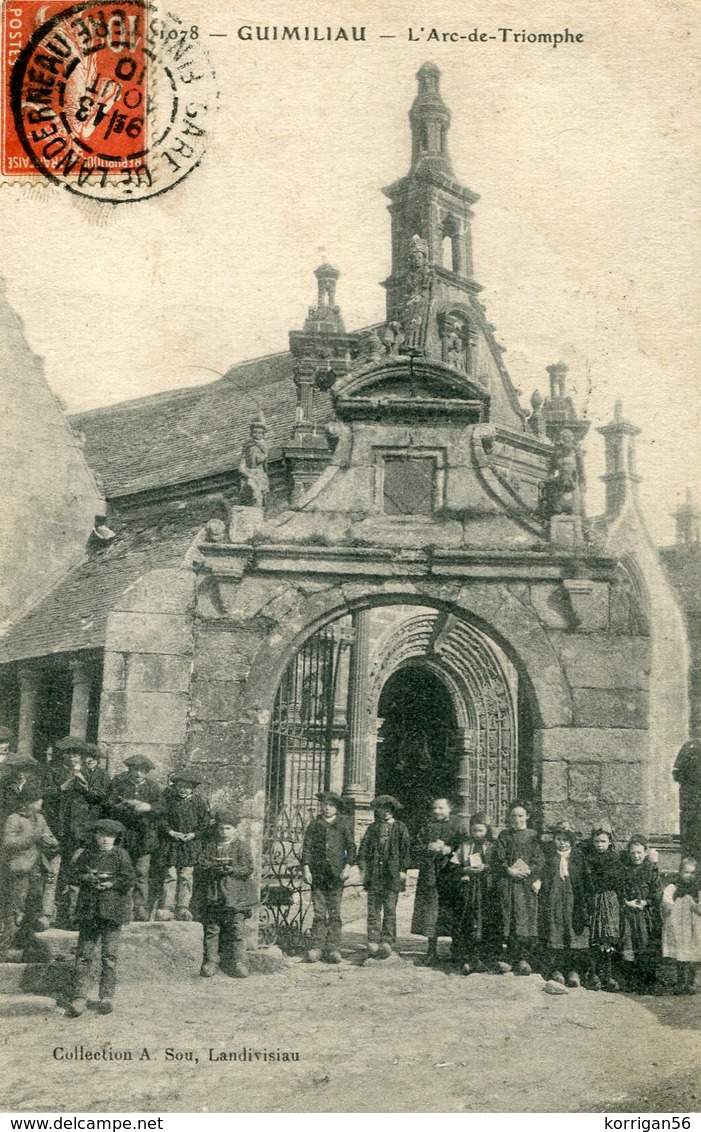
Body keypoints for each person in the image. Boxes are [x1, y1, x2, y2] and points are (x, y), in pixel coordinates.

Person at [67, 818, 135, 1016]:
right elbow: (74, 875)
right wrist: (86, 878)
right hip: (89, 912)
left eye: (111, 836)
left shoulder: (121, 855)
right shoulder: (87, 854)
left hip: (112, 912)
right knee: (84, 955)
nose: (106, 840)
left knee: (109, 956)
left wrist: (112, 884)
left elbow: (129, 879)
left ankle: (106, 996)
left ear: (116, 838)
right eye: (102, 835)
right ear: (95, 836)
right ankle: (79, 996)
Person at [57, 743, 110, 926]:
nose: (88, 761)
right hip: (74, 830)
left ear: (97, 760)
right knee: (72, 871)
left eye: (92, 759)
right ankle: (71, 915)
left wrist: (86, 787)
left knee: (89, 871)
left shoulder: (102, 775)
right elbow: (64, 799)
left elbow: (100, 797)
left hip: (90, 830)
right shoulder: (76, 773)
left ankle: (86, 914)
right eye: (86, 758)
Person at [198, 811, 257, 978]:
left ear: (235, 829)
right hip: (215, 893)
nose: (224, 832)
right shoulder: (211, 846)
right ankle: (212, 961)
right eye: (221, 829)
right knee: (212, 927)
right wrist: (212, 867)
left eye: (228, 828)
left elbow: (248, 867)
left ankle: (238, 962)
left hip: (236, 894)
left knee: (237, 928)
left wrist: (233, 869)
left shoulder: (241, 846)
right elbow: (202, 862)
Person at [301, 791, 356, 964]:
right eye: (324, 804)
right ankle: (317, 947)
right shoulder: (314, 824)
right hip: (318, 875)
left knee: (334, 912)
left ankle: (333, 948)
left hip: (336, 875)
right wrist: (306, 869)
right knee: (318, 912)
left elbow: (351, 849)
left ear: (337, 808)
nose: (326, 808)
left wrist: (347, 867)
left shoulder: (343, 824)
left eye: (331, 805)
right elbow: (307, 848)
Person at [1, 781, 60, 937]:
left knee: (33, 906)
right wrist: (32, 838)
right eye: (39, 799)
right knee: (16, 908)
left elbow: (49, 837)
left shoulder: (40, 818)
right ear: (29, 802)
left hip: (37, 868)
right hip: (19, 869)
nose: (41, 802)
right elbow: (8, 842)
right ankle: (8, 944)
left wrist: (52, 842)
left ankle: (27, 942)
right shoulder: (14, 818)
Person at [410, 796, 464, 966]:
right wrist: (428, 847)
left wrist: (450, 849)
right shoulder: (427, 827)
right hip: (430, 874)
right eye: (434, 808)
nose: (436, 811)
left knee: (452, 909)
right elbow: (415, 846)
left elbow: (467, 845)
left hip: (451, 874)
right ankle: (431, 950)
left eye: (441, 808)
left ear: (449, 808)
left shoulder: (459, 825)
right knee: (430, 911)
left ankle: (456, 949)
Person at [493, 800, 544, 975]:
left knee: (525, 919)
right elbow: (498, 858)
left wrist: (530, 870)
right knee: (508, 918)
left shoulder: (533, 836)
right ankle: (508, 958)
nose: (517, 819)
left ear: (527, 816)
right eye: (513, 816)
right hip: (509, 883)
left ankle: (523, 959)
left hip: (526, 884)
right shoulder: (504, 836)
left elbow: (539, 859)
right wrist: (509, 871)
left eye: (520, 815)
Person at [108, 755, 162, 920]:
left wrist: (148, 807)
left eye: (142, 770)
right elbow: (109, 805)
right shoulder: (120, 786)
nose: (138, 773)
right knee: (122, 871)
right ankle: (122, 907)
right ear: (129, 770)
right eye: (135, 770)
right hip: (124, 837)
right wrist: (126, 806)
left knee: (141, 872)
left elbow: (162, 809)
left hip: (144, 837)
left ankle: (139, 907)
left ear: (147, 772)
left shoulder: (153, 787)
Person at [357, 795, 411, 958]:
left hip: (391, 876)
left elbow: (405, 851)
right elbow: (363, 850)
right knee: (373, 910)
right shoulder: (372, 828)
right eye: (382, 809)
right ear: (377, 811)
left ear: (393, 810)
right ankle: (373, 940)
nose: (386, 812)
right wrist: (363, 869)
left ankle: (387, 942)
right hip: (374, 876)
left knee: (390, 910)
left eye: (389, 809)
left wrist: (403, 870)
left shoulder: (400, 828)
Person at [539, 822, 590, 987]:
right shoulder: (550, 857)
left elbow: (583, 880)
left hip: (573, 898)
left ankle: (574, 971)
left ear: (571, 842)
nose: (561, 843)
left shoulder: (578, 857)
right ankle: (557, 970)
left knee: (573, 933)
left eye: (565, 840)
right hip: (554, 899)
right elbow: (544, 875)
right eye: (558, 839)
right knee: (556, 931)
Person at [155, 772, 210, 922]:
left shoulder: (200, 802)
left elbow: (204, 824)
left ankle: (183, 907)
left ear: (192, 789)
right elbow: (161, 819)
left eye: (187, 787)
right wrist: (170, 832)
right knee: (170, 875)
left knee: (186, 875)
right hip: (171, 843)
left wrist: (193, 834)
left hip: (190, 844)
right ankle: (167, 907)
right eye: (180, 787)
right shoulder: (169, 801)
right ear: (176, 787)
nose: (183, 790)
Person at [448, 811, 497, 974]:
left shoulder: (492, 847)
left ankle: (485, 957)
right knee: (467, 919)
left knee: (486, 919)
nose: (477, 834)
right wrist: (465, 869)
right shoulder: (465, 846)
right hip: (469, 889)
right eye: (474, 830)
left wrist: (487, 867)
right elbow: (453, 865)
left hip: (487, 888)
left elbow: (498, 866)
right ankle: (466, 957)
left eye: (481, 830)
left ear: (487, 830)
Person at [582, 821, 623, 991]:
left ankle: (608, 974)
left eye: (603, 841)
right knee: (594, 936)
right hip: (594, 899)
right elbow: (587, 881)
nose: (600, 845)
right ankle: (593, 974)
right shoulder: (588, 859)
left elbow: (617, 880)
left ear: (610, 842)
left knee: (608, 938)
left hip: (610, 900)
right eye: (597, 841)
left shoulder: (615, 859)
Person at [619, 834, 662, 994]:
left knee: (645, 943)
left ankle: (647, 981)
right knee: (628, 944)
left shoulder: (651, 869)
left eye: (639, 853)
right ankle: (631, 981)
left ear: (645, 853)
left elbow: (657, 892)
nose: (636, 856)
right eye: (633, 853)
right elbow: (619, 889)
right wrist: (626, 902)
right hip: (628, 914)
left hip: (645, 915)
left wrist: (646, 902)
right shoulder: (624, 869)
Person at [660, 856, 701, 995]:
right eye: (686, 872)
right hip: (677, 925)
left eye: (692, 873)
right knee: (679, 953)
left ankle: (690, 982)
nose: (689, 876)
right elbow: (666, 905)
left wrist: (695, 905)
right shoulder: (673, 888)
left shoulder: (697, 890)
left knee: (692, 953)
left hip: (693, 926)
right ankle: (680, 981)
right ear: (680, 872)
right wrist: (674, 903)